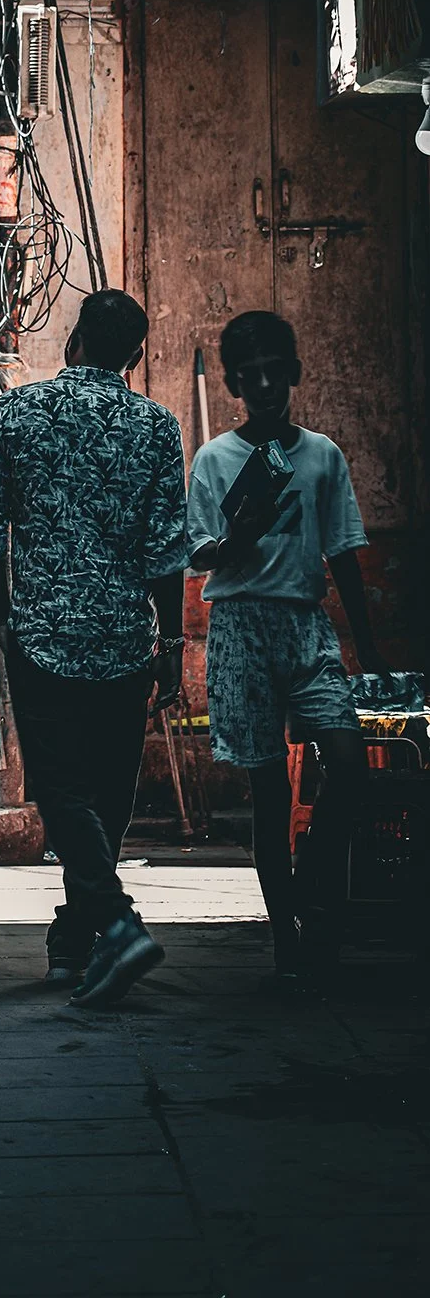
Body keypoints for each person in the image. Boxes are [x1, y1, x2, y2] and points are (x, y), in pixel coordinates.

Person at [0, 289, 187, 1006]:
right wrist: (172, 640)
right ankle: (75, 939)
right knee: (106, 797)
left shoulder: (18, 412)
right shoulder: (154, 427)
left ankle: (109, 925)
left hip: (42, 633)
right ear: (135, 356)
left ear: (74, 342)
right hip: (124, 637)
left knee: (62, 791)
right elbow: (165, 550)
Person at [186, 311, 389, 989]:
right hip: (240, 628)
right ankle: (285, 939)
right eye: (251, 376)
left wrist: (370, 657)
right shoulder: (214, 459)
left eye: (277, 371)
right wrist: (235, 540)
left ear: (295, 373)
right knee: (268, 794)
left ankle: (311, 885)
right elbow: (197, 555)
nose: (266, 385)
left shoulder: (320, 455)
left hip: (304, 627)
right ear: (234, 383)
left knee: (349, 768)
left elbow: (342, 552)